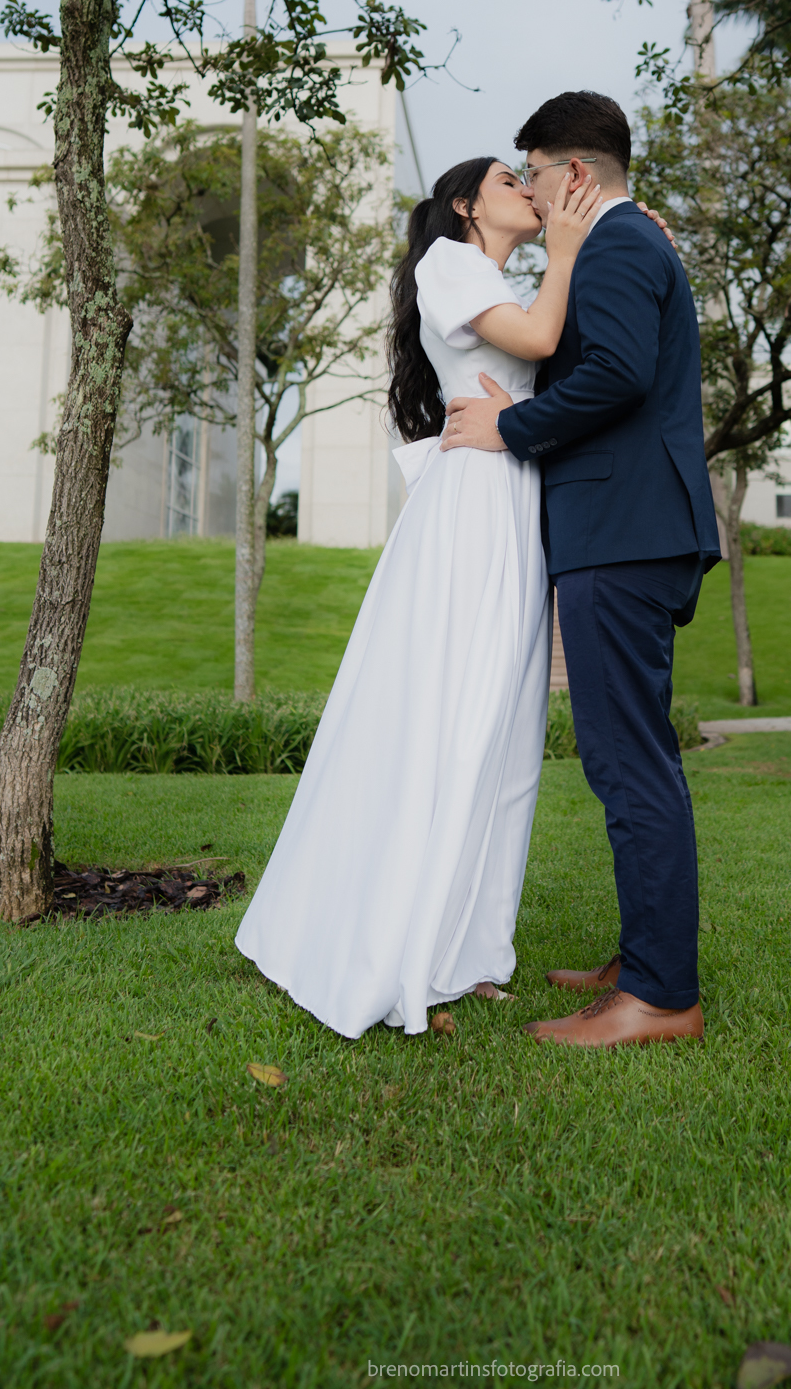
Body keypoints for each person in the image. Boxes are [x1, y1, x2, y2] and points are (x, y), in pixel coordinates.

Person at [234, 156, 602, 1038]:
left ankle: (468, 952)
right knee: (454, 717)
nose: (527, 185)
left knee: (504, 739)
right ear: (467, 204)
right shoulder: (450, 264)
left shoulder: (499, 275)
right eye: (509, 178)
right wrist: (568, 246)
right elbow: (541, 344)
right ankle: (405, 949)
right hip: (470, 510)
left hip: (511, 498)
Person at [440, 91, 721, 1048]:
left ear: (573, 176)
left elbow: (617, 373)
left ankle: (656, 997)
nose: (527, 188)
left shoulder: (617, 244)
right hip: (634, 526)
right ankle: (644, 957)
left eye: (533, 172)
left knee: (626, 759)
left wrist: (508, 428)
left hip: (624, 530)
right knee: (635, 754)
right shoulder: (633, 240)